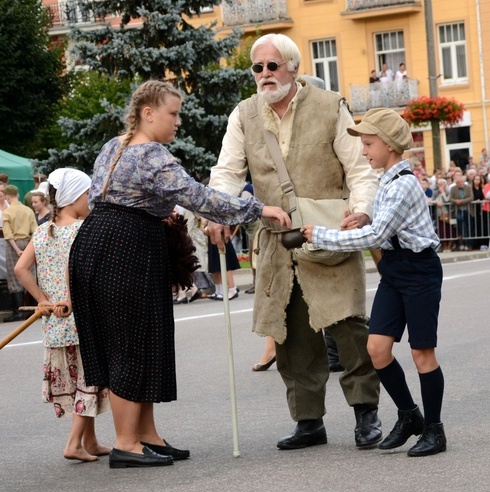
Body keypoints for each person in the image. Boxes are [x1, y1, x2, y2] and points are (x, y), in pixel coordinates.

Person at [65, 80, 290, 469]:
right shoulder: (151, 153)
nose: (179, 121)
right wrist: (259, 209)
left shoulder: (113, 145)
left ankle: (145, 435)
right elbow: (197, 196)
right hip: (125, 247)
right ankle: (126, 443)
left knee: (141, 340)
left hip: (103, 242)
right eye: (173, 113)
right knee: (130, 343)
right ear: (148, 113)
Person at [207, 33, 381, 451]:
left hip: (329, 235)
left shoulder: (330, 105)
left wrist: (363, 211)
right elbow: (227, 173)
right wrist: (217, 213)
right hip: (277, 243)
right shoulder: (243, 115)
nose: (264, 74)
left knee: (350, 329)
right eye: (257, 67)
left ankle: (366, 414)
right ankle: (308, 421)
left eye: (272, 65)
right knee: (291, 336)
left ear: (293, 68)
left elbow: (359, 169)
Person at [303, 108, 446, 457]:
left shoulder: (404, 184)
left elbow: (378, 235)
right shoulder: (386, 181)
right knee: (377, 349)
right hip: (396, 270)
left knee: (421, 352)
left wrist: (320, 235)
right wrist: (361, 217)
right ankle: (409, 415)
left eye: (368, 144)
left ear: (389, 145)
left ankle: (434, 429)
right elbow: (378, 226)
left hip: (419, 271)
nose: (364, 151)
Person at [15, 168, 111, 462]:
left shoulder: (43, 230)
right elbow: (81, 274)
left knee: (81, 379)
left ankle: (90, 441)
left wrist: (43, 300)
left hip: (56, 324)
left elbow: (21, 269)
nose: (90, 201)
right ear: (73, 198)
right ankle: (73, 444)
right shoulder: (83, 230)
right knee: (90, 380)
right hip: (82, 320)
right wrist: (71, 299)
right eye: (86, 196)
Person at [2, 185, 37, 322]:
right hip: (28, 242)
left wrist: (17, 249)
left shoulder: (7, 212)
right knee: (31, 274)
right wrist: (29, 246)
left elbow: (8, 233)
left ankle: (18, 311)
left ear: (7, 196)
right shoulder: (28, 210)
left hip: (14, 244)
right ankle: (33, 308)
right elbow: (35, 230)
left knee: (14, 276)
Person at [449, 174, 473, 250]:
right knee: (460, 221)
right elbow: (450, 199)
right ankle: (461, 240)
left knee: (468, 227)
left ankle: (469, 244)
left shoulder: (468, 187)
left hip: (467, 210)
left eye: (462, 182)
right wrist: (456, 201)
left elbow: (471, 197)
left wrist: (461, 201)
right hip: (458, 210)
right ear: (456, 183)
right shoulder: (453, 188)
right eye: (459, 182)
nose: (461, 184)